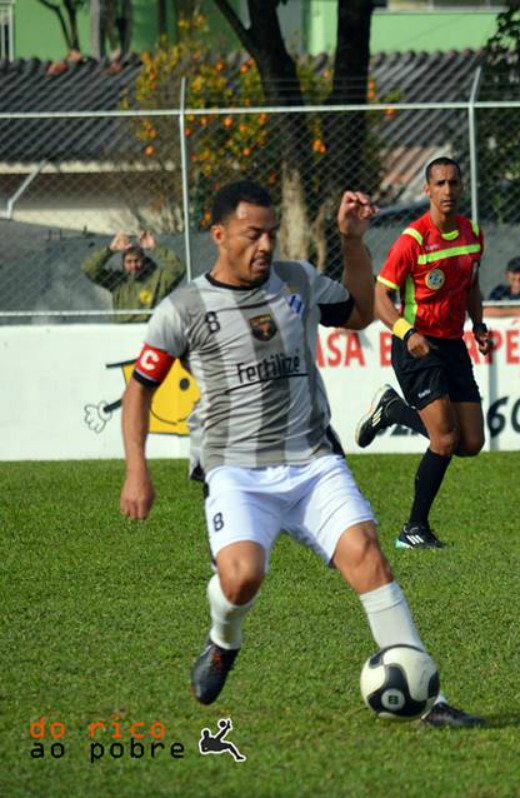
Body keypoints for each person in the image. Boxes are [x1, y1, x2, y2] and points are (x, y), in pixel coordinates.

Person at [119, 179, 482, 728]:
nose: (265, 246)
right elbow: (139, 390)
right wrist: (136, 470)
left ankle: (429, 700)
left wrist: (353, 242)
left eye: (270, 234)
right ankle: (223, 641)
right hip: (236, 470)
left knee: (369, 557)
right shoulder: (184, 307)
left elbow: (360, 311)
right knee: (241, 578)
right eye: (251, 235)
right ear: (218, 235)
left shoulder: (297, 279)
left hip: (313, 460)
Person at [355, 157, 493, 550]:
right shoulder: (413, 239)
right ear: (427, 191)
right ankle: (413, 528)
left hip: (452, 343)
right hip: (416, 345)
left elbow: (471, 287)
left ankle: (393, 410)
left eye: (453, 183)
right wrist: (406, 330)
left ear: (460, 188)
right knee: (445, 438)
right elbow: (379, 296)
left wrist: (478, 326)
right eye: (440, 183)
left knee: (471, 443)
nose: (447, 190)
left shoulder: (473, 234)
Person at [81, 231, 186, 322]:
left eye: (137, 261)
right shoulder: (117, 281)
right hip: (122, 330)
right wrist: (111, 249)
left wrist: (155, 248)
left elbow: (178, 268)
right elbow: (89, 269)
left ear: (144, 261)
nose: (133, 265)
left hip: (148, 330)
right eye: (129, 262)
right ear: (123, 264)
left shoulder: (156, 279)